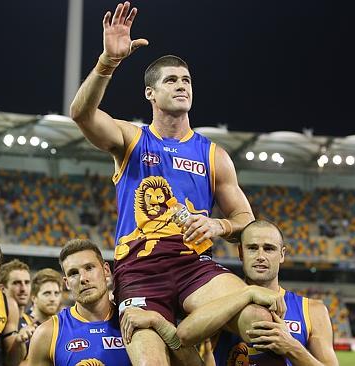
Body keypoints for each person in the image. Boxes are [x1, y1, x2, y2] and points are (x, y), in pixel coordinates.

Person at [69, 2, 271, 364]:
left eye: (187, 80)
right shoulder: (131, 139)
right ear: (150, 93)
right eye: (171, 80)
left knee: (260, 323)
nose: (182, 85)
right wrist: (108, 62)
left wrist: (217, 224)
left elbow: (247, 222)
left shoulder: (214, 155)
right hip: (139, 270)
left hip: (195, 265)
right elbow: (81, 114)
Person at [176, 219, 339, 365]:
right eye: (252, 248)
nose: (260, 256)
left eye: (269, 249)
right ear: (240, 253)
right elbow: (183, 335)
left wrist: (292, 348)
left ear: (282, 254)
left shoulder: (312, 310)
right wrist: (249, 292)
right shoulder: (222, 301)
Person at [28, 239, 202, 366]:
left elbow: (195, 364)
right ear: (66, 283)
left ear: (105, 271)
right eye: (74, 273)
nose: (83, 279)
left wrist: (159, 322)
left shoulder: (141, 320)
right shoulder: (48, 334)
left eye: (89, 268)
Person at [0, 259, 36, 364]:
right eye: (16, 283)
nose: (23, 288)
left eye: (27, 283)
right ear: (2, 289)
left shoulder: (31, 322)